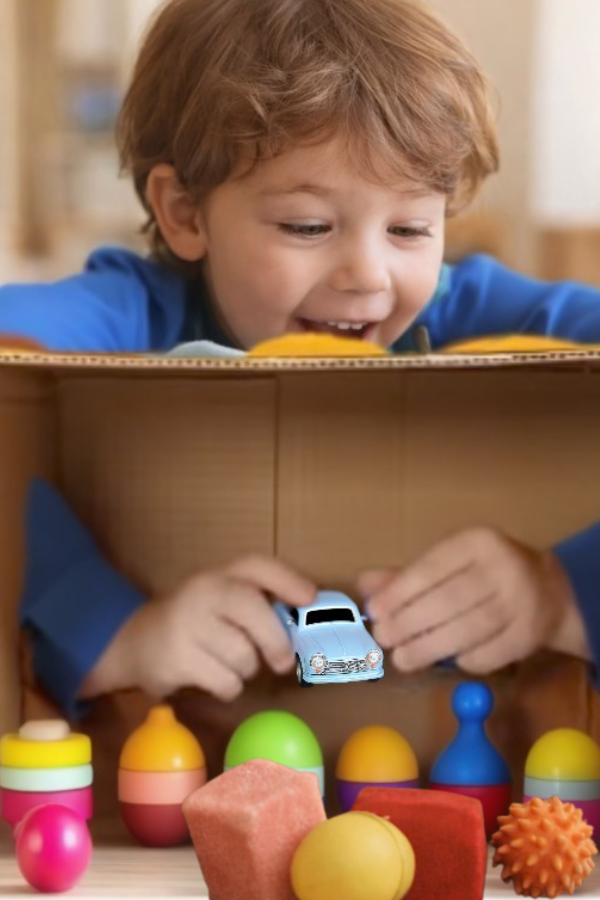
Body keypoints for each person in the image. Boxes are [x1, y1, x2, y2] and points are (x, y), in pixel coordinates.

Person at [3, 0, 599, 719]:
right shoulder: (131, 311)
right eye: (308, 225)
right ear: (186, 212)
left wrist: (563, 591)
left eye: (410, 226)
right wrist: (116, 632)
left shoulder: (471, 309)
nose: (368, 275)